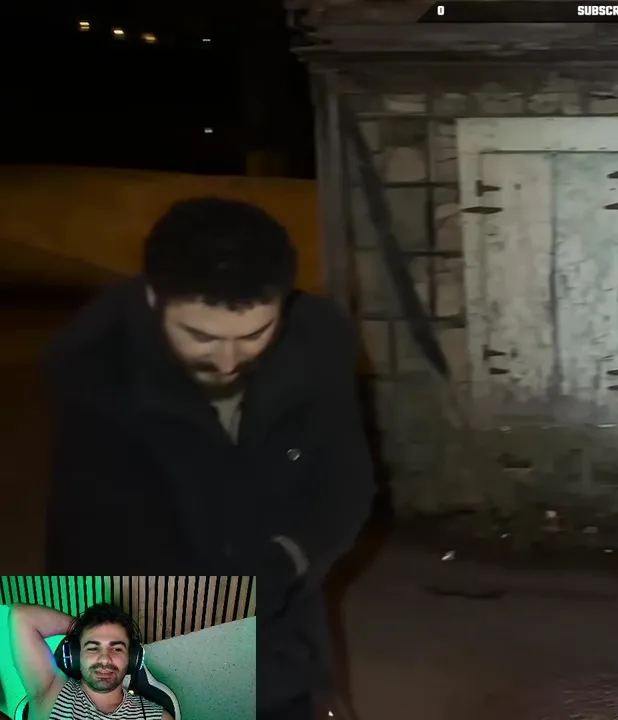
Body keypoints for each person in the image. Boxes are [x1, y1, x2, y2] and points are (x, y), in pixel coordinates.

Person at [42, 197, 377, 719]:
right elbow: (98, 542)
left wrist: (289, 558)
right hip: (142, 623)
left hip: (285, 618)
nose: (227, 360)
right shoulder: (93, 369)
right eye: (201, 336)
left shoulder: (319, 340)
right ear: (154, 299)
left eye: (254, 335)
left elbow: (344, 479)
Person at [7, 602, 173, 720]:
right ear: (76, 654)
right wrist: (81, 628)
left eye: (117, 649)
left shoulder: (157, 718)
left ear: (133, 657)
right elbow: (21, 616)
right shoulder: (50, 690)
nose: (104, 659)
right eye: (93, 648)